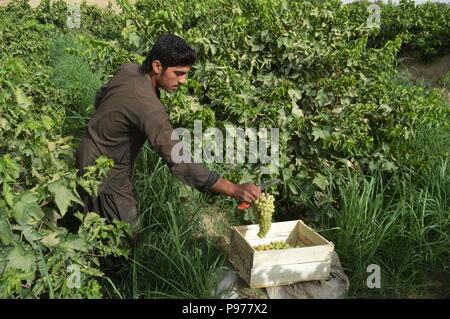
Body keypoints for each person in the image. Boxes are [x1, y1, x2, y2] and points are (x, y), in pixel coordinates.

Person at [75, 34, 261, 236]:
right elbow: (179, 160)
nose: (183, 81)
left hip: (87, 148)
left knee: (91, 217)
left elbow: (101, 95)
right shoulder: (149, 109)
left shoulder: (128, 69)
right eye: (178, 73)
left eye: (186, 74)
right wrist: (233, 189)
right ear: (157, 66)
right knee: (125, 237)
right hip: (106, 170)